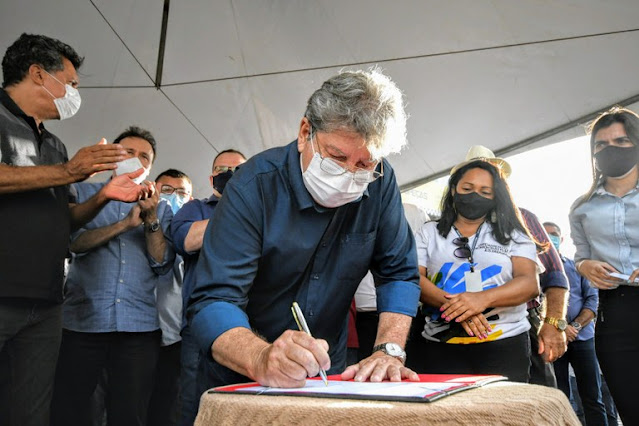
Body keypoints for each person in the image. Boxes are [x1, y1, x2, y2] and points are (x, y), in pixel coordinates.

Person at [187, 68, 421, 391]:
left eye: (364, 164)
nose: (349, 174)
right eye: (336, 156)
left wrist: (389, 350)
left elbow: (398, 272)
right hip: (244, 372)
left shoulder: (381, 183)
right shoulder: (253, 187)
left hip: (329, 373)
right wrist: (261, 358)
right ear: (304, 132)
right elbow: (214, 300)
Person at [0, 33, 146, 426]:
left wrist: (103, 197)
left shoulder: (56, 145)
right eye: (72, 83)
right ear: (37, 74)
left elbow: (63, 219)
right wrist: (70, 172)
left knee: (30, 413)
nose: (75, 94)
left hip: (45, 301)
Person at [51, 126, 175, 426]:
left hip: (138, 328)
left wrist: (151, 220)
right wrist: (122, 226)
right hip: (83, 323)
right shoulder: (83, 193)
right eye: (128, 153)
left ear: (150, 167)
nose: (136, 160)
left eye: (144, 156)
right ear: (113, 158)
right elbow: (74, 244)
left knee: (130, 413)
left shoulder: (163, 206)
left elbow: (162, 263)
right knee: (72, 409)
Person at [408, 158, 540, 382]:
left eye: (484, 191)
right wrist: (459, 309)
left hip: (504, 346)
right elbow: (414, 278)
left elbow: (529, 284)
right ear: (453, 190)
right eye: (467, 188)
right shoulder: (428, 232)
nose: (474, 195)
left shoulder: (513, 234)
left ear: (495, 197)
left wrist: (482, 300)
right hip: (440, 347)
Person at [569, 106, 639, 425]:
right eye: (602, 143)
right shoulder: (582, 207)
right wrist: (584, 266)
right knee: (630, 407)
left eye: (622, 141)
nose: (611, 148)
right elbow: (580, 254)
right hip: (615, 313)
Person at [170, 149, 246, 426]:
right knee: (194, 400)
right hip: (200, 324)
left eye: (238, 171)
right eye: (222, 170)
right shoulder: (195, 209)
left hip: (250, 323)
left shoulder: (266, 210)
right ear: (212, 177)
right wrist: (239, 213)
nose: (229, 176)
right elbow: (185, 241)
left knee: (243, 402)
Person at [544, 221, 607, 425]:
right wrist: (560, 328)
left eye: (554, 234)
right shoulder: (535, 270)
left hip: (583, 339)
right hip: (552, 340)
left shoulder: (578, 268)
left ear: (561, 239)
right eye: (545, 234)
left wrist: (574, 327)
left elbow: (592, 301)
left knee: (593, 397)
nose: (550, 237)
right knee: (559, 396)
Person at [147, 169, 193, 426]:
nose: (175, 197)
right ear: (154, 189)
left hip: (177, 336)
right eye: (167, 190)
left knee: (169, 404)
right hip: (141, 330)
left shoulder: (191, 230)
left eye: (182, 193)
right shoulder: (143, 224)